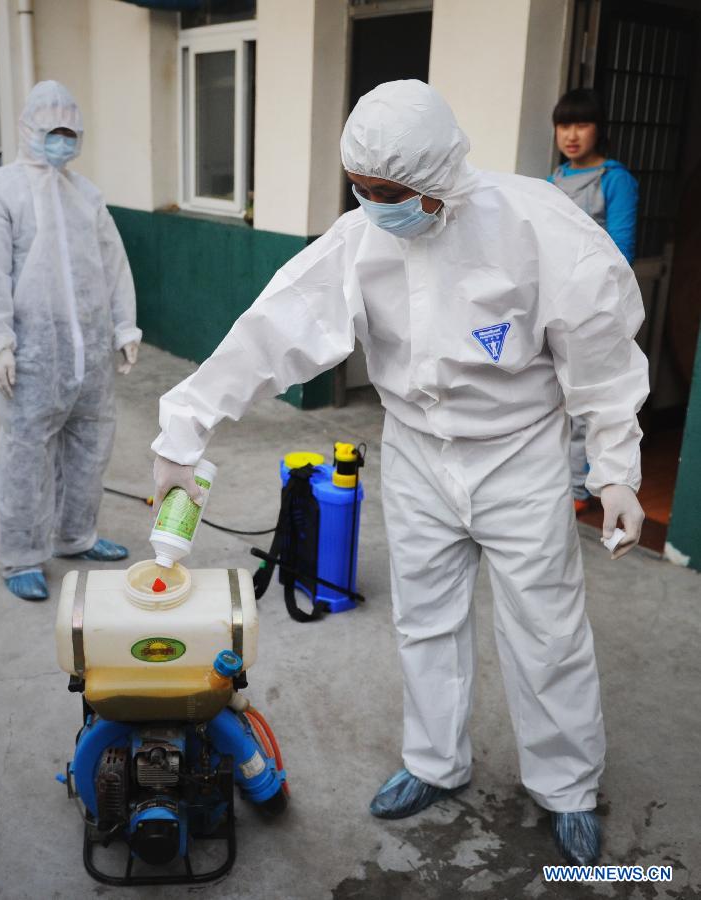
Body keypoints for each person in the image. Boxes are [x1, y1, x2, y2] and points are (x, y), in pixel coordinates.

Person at [151, 81, 648, 865]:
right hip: (417, 452)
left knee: (545, 630)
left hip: (518, 456)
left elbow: (602, 354)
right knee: (424, 616)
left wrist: (616, 465)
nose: (374, 204)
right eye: (363, 189)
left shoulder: (539, 230)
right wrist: (185, 429)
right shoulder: (362, 239)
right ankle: (434, 763)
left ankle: (567, 788)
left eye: (390, 192)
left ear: (441, 177)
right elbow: (272, 331)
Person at [0, 81, 142, 601]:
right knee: (25, 452)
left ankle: (76, 535)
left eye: (69, 133)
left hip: (89, 354)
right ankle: (21, 555)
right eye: (52, 131)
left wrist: (124, 326)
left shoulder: (85, 195)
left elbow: (114, 266)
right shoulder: (1, 191)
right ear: (29, 130)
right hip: (32, 356)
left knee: (90, 447)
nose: (61, 141)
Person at [548, 88, 640, 513]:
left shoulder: (615, 180)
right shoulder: (553, 181)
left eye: (581, 124)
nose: (571, 134)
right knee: (554, 395)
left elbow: (620, 248)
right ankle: (554, 481)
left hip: (596, 304)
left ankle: (579, 488)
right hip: (553, 301)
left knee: (590, 396)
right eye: (564, 125)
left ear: (598, 130)